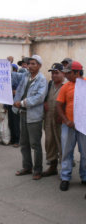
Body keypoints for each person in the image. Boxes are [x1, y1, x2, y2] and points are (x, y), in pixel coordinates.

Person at [13, 55, 47, 180]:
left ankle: (37, 170)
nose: (30, 66)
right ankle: (27, 166)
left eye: (33, 64)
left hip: (34, 116)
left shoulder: (42, 79)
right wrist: (16, 102)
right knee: (24, 143)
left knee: (35, 144)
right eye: (29, 64)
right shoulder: (25, 76)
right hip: (23, 114)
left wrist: (22, 103)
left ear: (39, 66)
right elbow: (19, 89)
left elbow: (39, 98)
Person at [57, 61, 86, 191]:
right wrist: (66, 120)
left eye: (68, 73)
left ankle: (84, 177)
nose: (66, 75)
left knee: (85, 153)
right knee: (67, 152)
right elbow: (58, 105)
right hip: (68, 125)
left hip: (84, 126)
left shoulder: (85, 84)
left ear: (77, 72)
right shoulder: (65, 87)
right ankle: (65, 177)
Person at [43, 63, 65, 177]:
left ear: (63, 73)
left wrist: (63, 116)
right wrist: (45, 102)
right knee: (49, 142)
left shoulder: (66, 85)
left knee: (62, 144)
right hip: (49, 118)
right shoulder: (50, 84)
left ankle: (65, 170)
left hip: (61, 121)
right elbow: (45, 98)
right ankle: (52, 167)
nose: (54, 75)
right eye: (52, 73)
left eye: (57, 73)